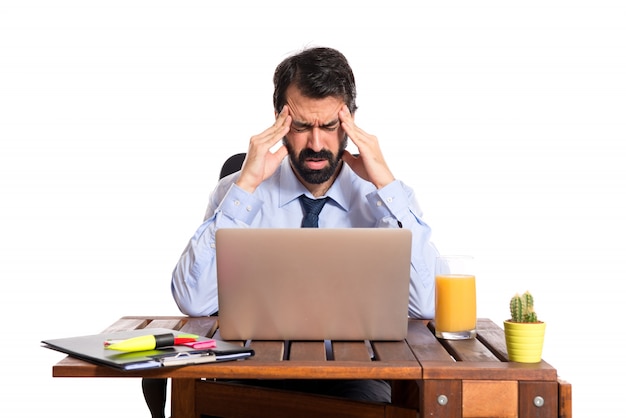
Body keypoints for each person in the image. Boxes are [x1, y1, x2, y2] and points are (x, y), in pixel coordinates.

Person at [168, 46, 439, 406]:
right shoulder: (237, 193)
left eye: (328, 126)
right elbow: (193, 301)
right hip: (252, 372)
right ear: (280, 120)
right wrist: (244, 188)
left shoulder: (388, 199)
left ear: (350, 121)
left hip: (355, 378)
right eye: (300, 126)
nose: (315, 143)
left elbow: (428, 305)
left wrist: (386, 186)